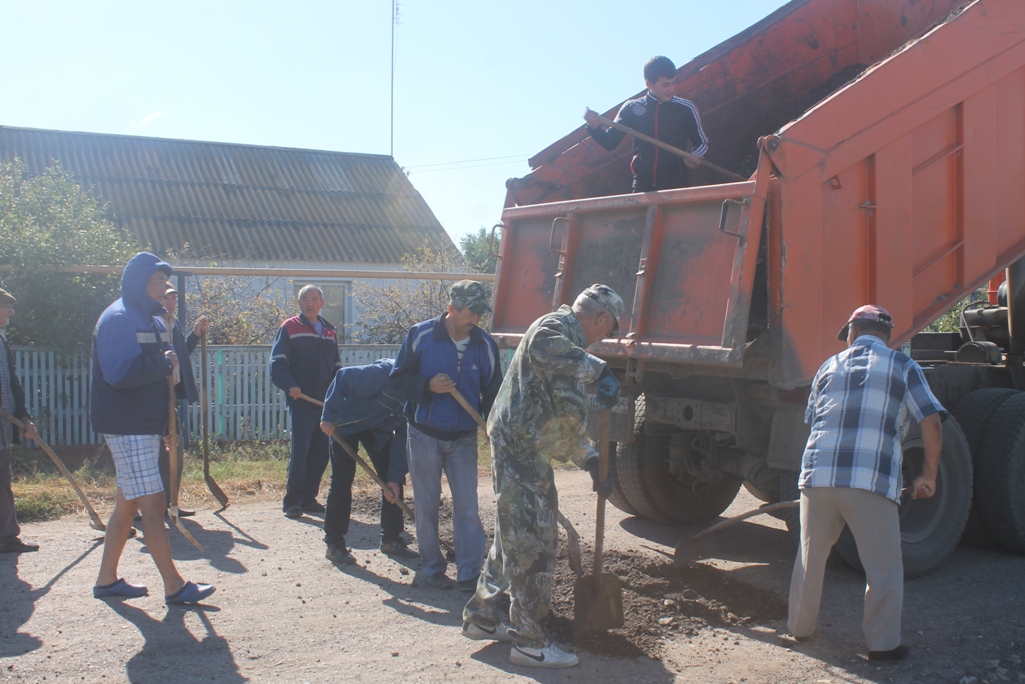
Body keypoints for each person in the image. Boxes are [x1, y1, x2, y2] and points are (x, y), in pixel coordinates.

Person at [462, 284, 624, 669]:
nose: (606, 337)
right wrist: (595, 368)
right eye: (610, 329)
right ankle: (529, 641)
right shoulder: (554, 329)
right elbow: (540, 344)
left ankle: (483, 618)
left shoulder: (567, 344)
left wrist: (589, 457)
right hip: (520, 448)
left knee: (513, 533)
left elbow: (559, 419)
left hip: (525, 445)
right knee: (534, 540)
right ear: (600, 318)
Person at [785, 305, 944, 662]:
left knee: (810, 557)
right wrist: (928, 474)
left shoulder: (827, 366)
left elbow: (812, 420)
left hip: (818, 476)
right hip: (870, 479)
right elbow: (930, 422)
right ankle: (883, 647)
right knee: (883, 565)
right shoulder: (904, 366)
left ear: (852, 335)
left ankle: (799, 629)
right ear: (888, 337)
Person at [90, 252, 214, 604]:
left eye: (165, 281)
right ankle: (174, 585)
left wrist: (165, 425)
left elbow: (163, 377)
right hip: (126, 424)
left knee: (127, 506)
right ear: (140, 281)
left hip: (145, 424)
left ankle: (106, 579)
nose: (164, 287)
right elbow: (118, 374)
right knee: (153, 504)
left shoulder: (154, 319)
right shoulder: (119, 318)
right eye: (159, 280)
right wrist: (161, 364)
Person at [390, 280, 503, 591]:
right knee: (426, 505)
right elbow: (397, 381)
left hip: (464, 438)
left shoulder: (485, 345)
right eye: (470, 313)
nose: (476, 319)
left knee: (467, 505)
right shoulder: (421, 336)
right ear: (451, 309)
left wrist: (494, 426)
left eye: (481, 314)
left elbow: (494, 392)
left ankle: (469, 572)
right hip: (424, 434)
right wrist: (427, 386)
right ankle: (432, 567)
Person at [319, 358, 419, 564]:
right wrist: (328, 417)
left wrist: (394, 476)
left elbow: (403, 436)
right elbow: (343, 377)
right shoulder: (384, 373)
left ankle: (391, 538)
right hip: (345, 425)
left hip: (377, 430)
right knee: (342, 479)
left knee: (393, 478)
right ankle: (334, 543)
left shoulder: (417, 397)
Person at [584, 55, 709, 192]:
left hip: (676, 185)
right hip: (642, 187)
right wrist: (594, 127)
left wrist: (694, 156)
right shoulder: (632, 108)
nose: (671, 89)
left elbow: (701, 142)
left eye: (673, 82)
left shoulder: (686, 108)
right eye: (666, 85)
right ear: (649, 84)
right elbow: (610, 142)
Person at [270, 285, 341, 519]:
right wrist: (291, 385)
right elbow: (277, 364)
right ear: (299, 303)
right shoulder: (290, 327)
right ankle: (292, 501)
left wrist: (337, 395)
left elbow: (337, 367)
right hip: (301, 400)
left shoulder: (330, 330)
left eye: (314, 299)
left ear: (322, 302)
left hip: (324, 403)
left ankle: (309, 498)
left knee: (321, 452)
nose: (309, 303)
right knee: (301, 451)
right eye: (304, 299)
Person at [155, 283, 209, 517]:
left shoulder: (173, 324)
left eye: (173, 299)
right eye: (166, 299)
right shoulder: (150, 325)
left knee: (174, 445)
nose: (170, 304)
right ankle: (148, 506)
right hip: (152, 394)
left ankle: (170, 502)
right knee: (155, 450)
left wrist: (195, 334)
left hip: (171, 394)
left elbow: (181, 353)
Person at [0, 288, 40, 553]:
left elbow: (13, 381)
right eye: (7, 306)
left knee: (3, 482)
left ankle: (6, 537)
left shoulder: (2, 341)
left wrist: (24, 416)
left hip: (3, 427)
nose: (12, 312)